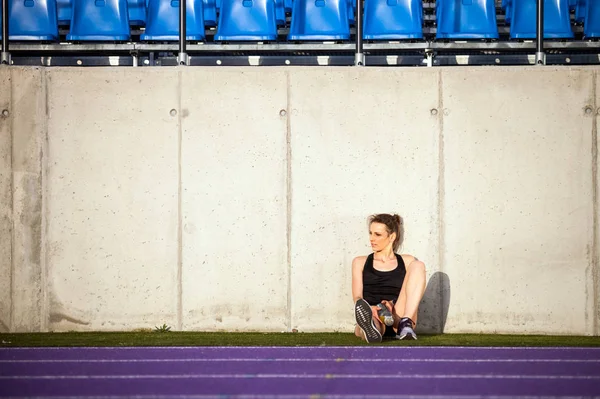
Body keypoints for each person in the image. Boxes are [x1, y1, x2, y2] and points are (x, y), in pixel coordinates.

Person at [352, 213, 427, 342]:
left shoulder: (407, 261)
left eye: (377, 234)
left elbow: (414, 288)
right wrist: (372, 309)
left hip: (398, 315)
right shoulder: (360, 262)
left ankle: (406, 324)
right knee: (373, 321)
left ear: (392, 236)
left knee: (418, 265)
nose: (371, 239)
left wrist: (391, 306)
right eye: (370, 233)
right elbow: (357, 297)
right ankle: (370, 327)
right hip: (374, 312)